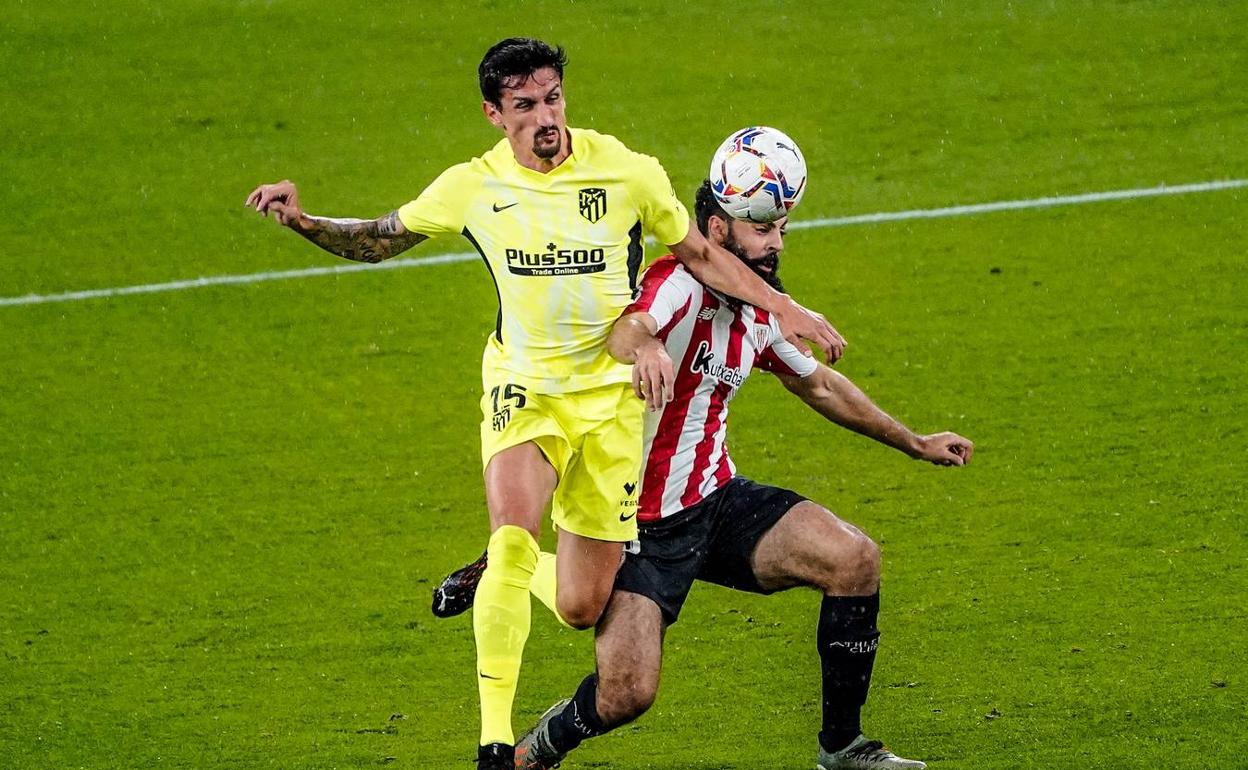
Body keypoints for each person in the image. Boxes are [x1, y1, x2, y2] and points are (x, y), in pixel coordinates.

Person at [244, 38, 844, 770]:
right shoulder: (473, 186)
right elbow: (381, 238)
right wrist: (305, 221)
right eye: (524, 106)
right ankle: (495, 741)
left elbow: (700, 255)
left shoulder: (625, 171)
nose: (545, 117)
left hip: (608, 402)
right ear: (495, 114)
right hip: (522, 388)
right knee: (513, 530)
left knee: (580, 605)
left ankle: (503, 576)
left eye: (552, 98)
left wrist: (782, 307)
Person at [504, 181, 974, 770]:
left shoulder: (760, 309)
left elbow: (819, 384)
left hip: (716, 500)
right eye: (762, 229)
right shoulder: (676, 282)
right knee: (627, 694)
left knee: (853, 559)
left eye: (781, 229)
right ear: (719, 229)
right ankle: (546, 741)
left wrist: (915, 443)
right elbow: (628, 327)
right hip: (638, 528)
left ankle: (843, 747)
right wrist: (647, 347)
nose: (776, 243)